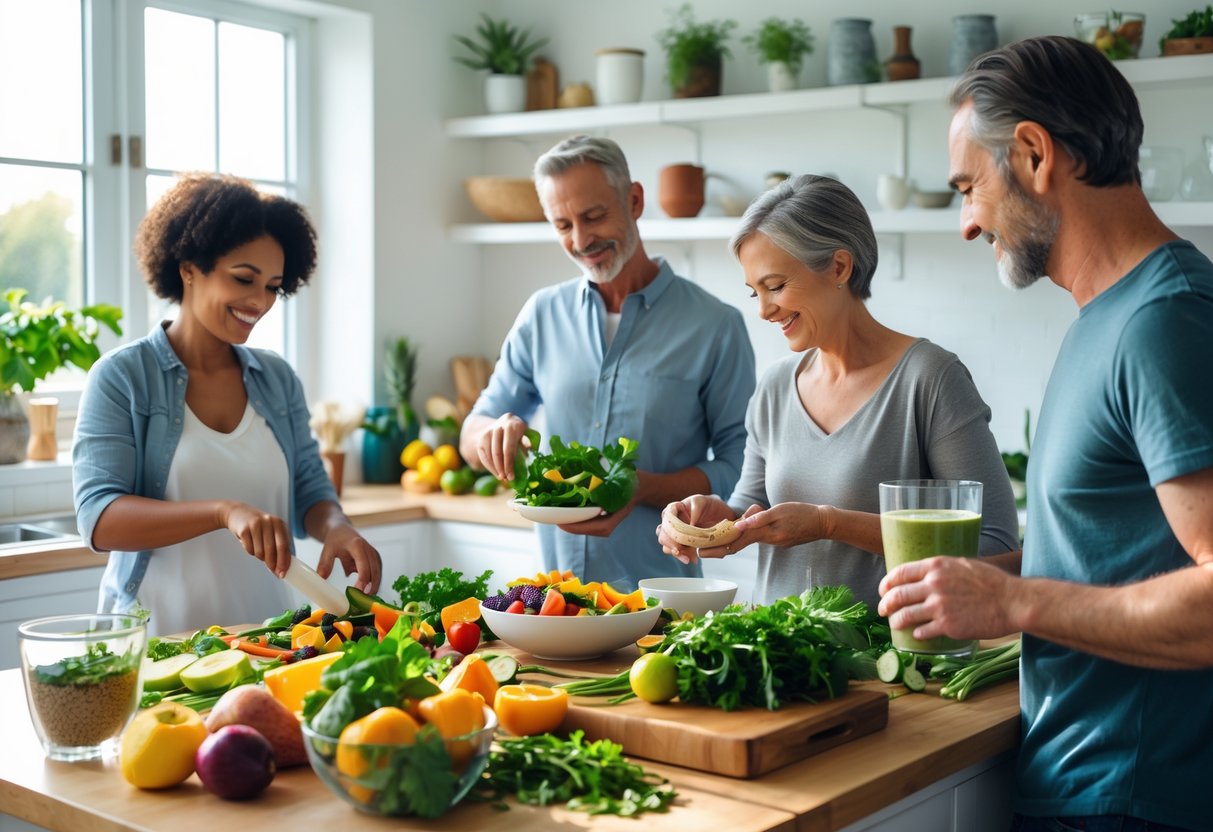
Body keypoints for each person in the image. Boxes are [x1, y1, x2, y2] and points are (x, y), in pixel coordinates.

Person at [877, 36, 1213, 831]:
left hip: (1131, 802)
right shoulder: (1107, 316)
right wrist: (974, 587)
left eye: (968, 187)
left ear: (1031, 153)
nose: (965, 223)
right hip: (1079, 787)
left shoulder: (1163, 322)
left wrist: (1014, 600)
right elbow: (1118, 550)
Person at [657, 174, 1020, 612]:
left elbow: (998, 549)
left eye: (775, 286)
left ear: (839, 268)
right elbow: (748, 509)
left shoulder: (930, 379)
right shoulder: (775, 386)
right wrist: (715, 520)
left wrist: (830, 523)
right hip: (775, 657)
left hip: (892, 669)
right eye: (755, 292)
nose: (763, 309)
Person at [73, 173, 382, 636]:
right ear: (189, 267)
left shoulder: (276, 378)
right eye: (244, 279)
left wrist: (337, 526)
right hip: (155, 642)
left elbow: (311, 492)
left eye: (274, 287)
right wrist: (222, 512)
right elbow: (98, 519)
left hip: (267, 637)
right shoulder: (122, 378)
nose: (259, 301)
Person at [460, 135, 756, 586]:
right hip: (557, 600)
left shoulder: (715, 325)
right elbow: (472, 430)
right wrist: (491, 435)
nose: (581, 240)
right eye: (562, 225)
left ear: (634, 200)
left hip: (664, 601)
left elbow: (741, 466)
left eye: (594, 216)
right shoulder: (542, 315)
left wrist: (639, 489)